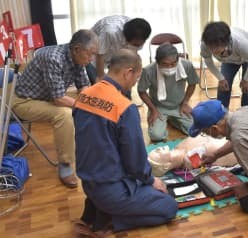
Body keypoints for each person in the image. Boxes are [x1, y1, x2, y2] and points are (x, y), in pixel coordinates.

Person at [73, 49, 177, 236]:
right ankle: (108, 218)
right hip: (111, 189)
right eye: (136, 78)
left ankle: (98, 210)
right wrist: (151, 180)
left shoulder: (83, 96)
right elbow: (135, 161)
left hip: (88, 184)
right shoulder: (124, 107)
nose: (134, 83)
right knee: (169, 206)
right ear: (128, 72)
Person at [12, 29, 98, 188]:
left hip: (45, 98)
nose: (92, 59)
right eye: (90, 54)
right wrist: (87, 107)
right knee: (64, 114)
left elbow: (84, 86)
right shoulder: (53, 58)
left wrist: (89, 102)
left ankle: (86, 149)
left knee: (85, 107)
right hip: (24, 101)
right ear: (77, 49)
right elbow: (59, 99)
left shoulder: (77, 58)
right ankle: (65, 164)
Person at [138, 43, 199, 142]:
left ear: (178, 59)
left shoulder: (186, 65)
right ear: (157, 62)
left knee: (195, 130)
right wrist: (153, 109)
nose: (170, 67)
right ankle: (168, 120)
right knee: (156, 136)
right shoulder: (148, 70)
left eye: (173, 63)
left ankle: (173, 120)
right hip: (158, 107)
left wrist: (185, 103)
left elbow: (192, 83)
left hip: (179, 105)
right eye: (165, 64)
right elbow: (141, 91)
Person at [201, 21, 248, 108]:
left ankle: (246, 114)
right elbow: (208, 60)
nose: (213, 51)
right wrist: (220, 78)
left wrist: (247, 79)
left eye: (216, 47)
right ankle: (222, 114)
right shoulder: (205, 44)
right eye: (211, 47)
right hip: (230, 59)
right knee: (224, 85)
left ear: (226, 42)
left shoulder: (239, 42)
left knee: (247, 87)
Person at [87, 15, 152, 84]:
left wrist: (135, 73)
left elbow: (133, 55)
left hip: (113, 53)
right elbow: (100, 54)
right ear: (126, 39)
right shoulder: (110, 32)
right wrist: (101, 77)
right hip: (93, 55)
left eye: (139, 44)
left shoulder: (140, 33)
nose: (137, 46)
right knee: (98, 84)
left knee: (123, 82)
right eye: (135, 44)